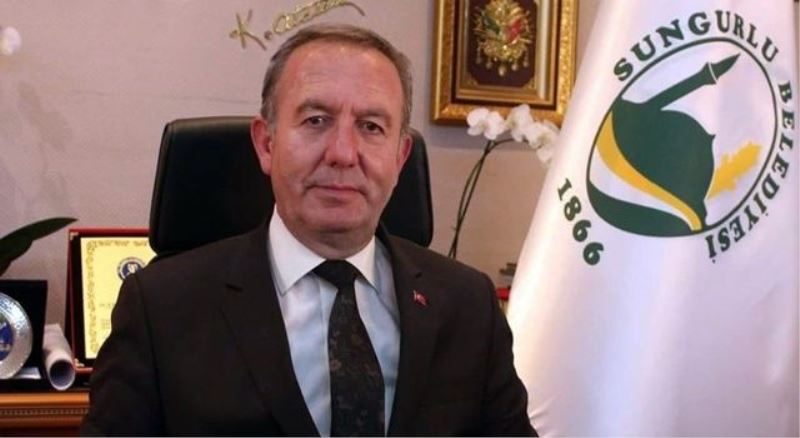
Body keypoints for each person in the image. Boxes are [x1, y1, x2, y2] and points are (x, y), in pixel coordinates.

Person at [81, 23, 535, 436]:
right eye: (316, 121)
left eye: (371, 126)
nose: (342, 153)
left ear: (399, 158)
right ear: (266, 143)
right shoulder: (161, 308)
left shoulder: (469, 305)